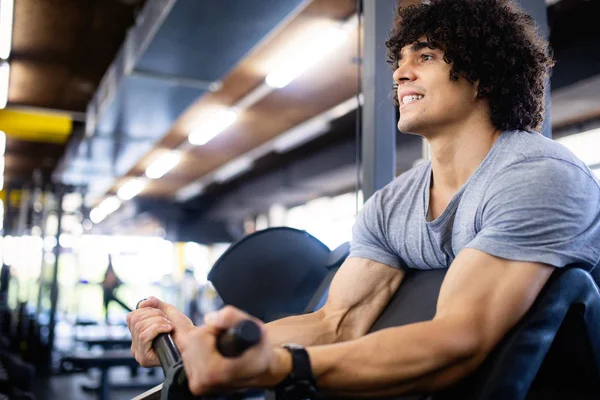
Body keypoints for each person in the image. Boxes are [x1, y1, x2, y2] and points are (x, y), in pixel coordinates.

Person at [126, 0, 600, 397]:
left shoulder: (539, 177)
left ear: (485, 74)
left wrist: (284, 368)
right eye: (401, 61)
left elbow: (461, 340)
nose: (400, 74)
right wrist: (202, 343)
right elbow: (336, 323)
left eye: (426, 56)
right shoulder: (392, 205)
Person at [102, 254, 131, 323]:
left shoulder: (110, 271)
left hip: (110, 294)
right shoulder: (108, 272)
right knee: (106, 308)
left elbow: (117, 281)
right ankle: (106, 320)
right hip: (107, 294)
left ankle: (132, 312)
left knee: (122, 305)